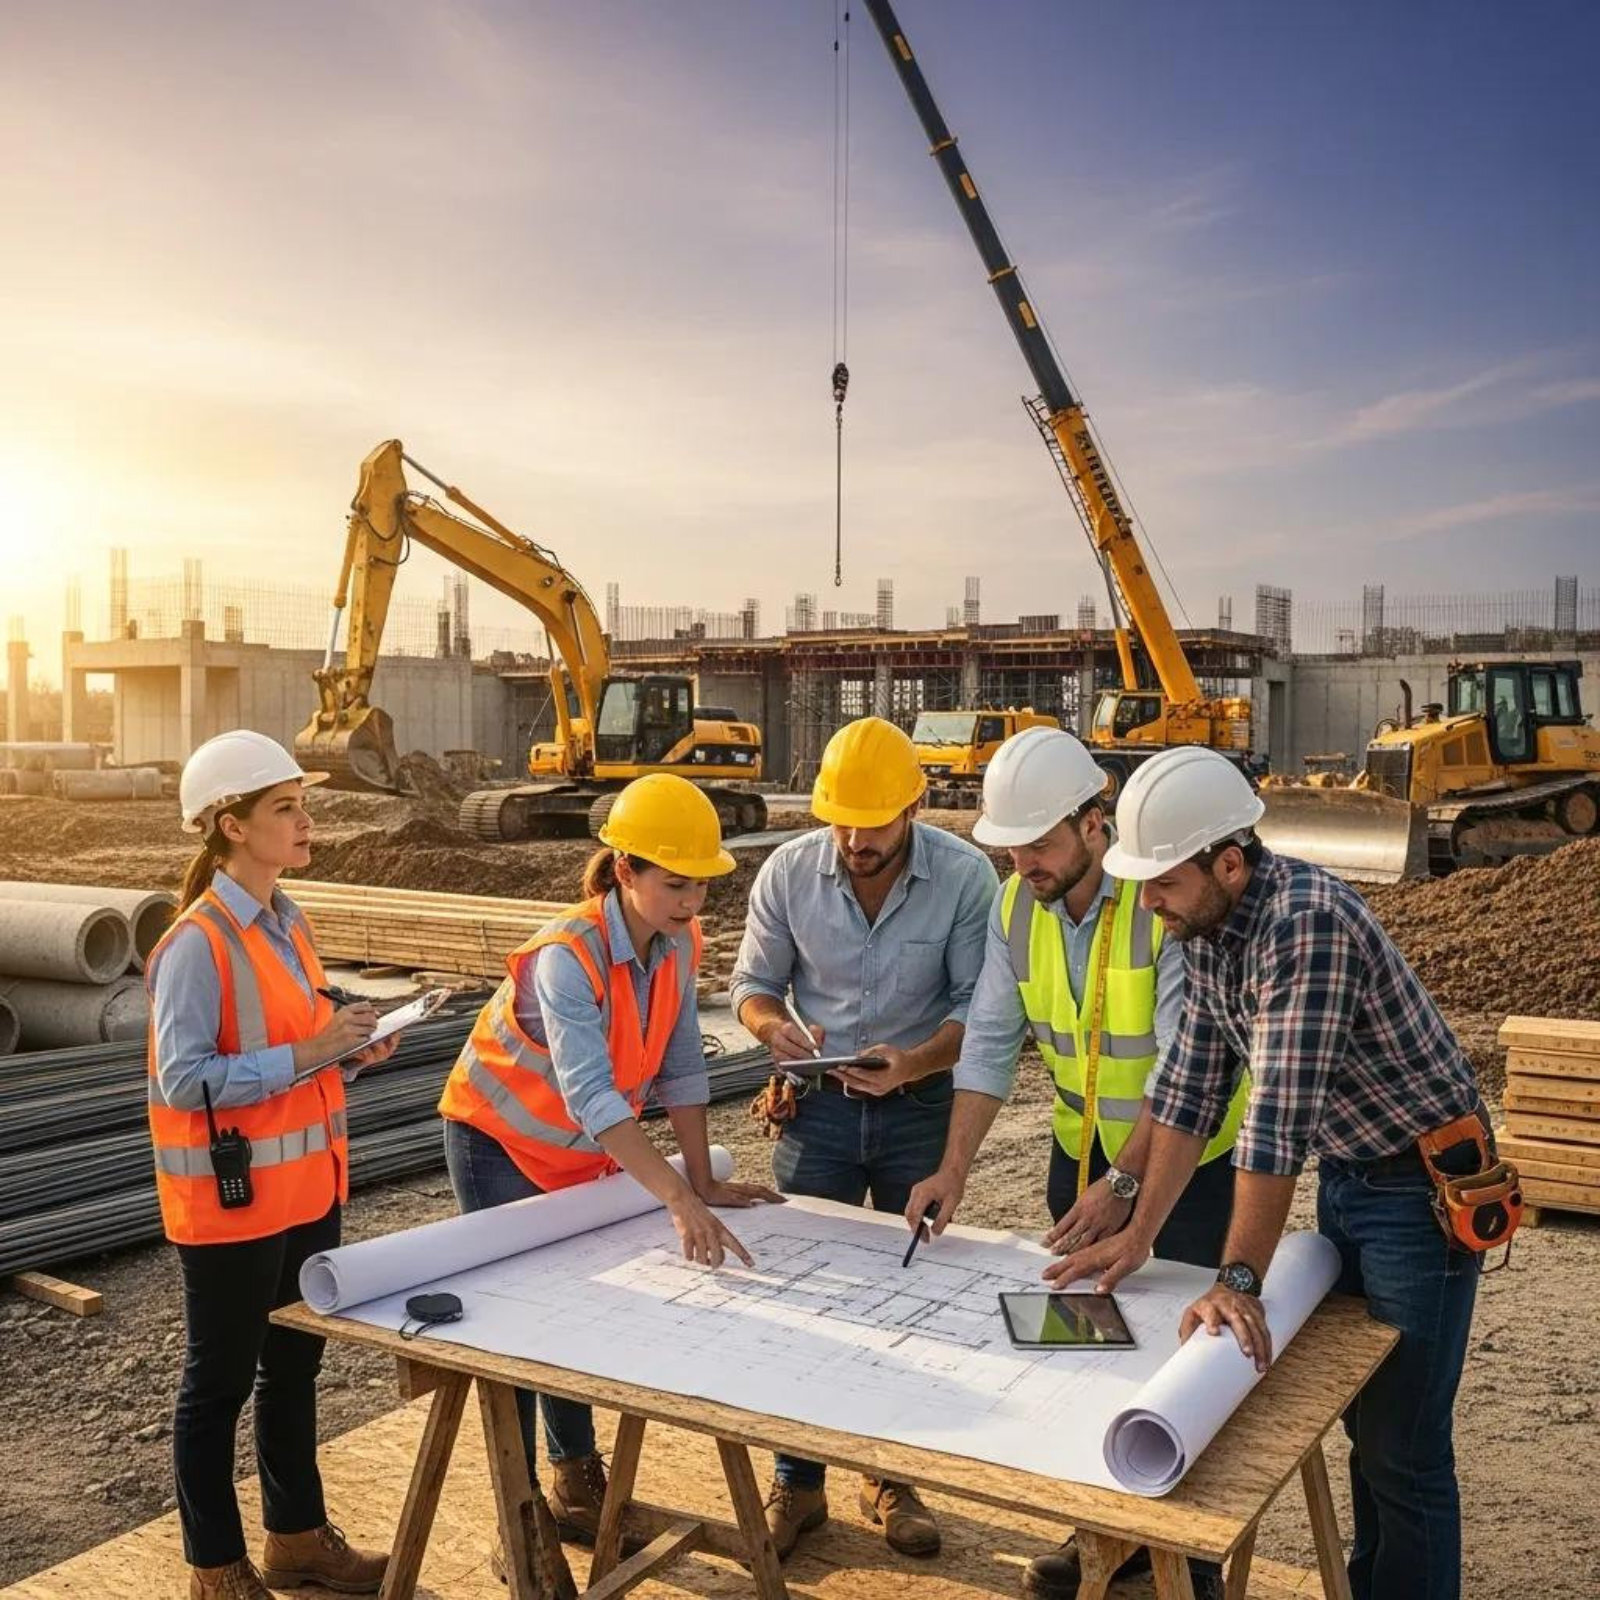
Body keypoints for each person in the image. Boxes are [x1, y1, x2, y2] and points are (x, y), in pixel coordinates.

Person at [1053, 747, 1488, 1600]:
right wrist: (1138, 1232)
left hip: (1421, 1191)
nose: (1150, 904)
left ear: (1227, 861)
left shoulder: (1305, 927)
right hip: (1356, 1178)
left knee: (1404, 1446)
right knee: (1366, 1421)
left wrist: (1239, 1279)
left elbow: (1275, 1125)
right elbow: (1187, 1095)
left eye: (1164, 883)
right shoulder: (1214, 927)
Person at [906, 728, 1246, 1600]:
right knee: (1080, 1348)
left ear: (1096, 825)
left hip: (1193, 1167)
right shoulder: (1016, 906)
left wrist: (1127, 1186)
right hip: (1079, 1155)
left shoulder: (1159, 903)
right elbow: (987, 1043)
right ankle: (1102, 1538)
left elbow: (1184, 1072)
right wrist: (953, 1171)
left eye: (1042, 843)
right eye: (1012, 846)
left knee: (1185, 1361)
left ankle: (1188, 1563)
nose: (1025, 862)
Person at [438, 773, 780, 1569]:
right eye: (674, 883)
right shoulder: (567, 958)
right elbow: (591, 1092)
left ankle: (576, 1481)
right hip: (499, 1146)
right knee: (514, 1330)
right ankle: (515, 1515)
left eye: (701, 883)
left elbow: (681, 1064)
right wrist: (673, 1198)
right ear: (623, 870)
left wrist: (703, 1177)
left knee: (579, 1316)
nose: (693, 902)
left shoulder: (679, 941)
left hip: (584, 1149)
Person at [730, 715, 999, 1561]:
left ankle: (890, 1477)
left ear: (915, 804)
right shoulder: (787, 872)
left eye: (873, 824)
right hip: (818, 1109)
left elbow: (981, 1013)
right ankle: (798, 1482)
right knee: (809, 1297)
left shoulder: (964, 878)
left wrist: (913, 1062)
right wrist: (774, 1030)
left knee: (906, 1295)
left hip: (921, 1107)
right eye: (841, 822)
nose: (854, 841)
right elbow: (752, 985)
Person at [148, 731, 398, 1600]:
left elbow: (294, 1041)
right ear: (229, 826)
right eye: (286, 808)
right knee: (216, 1387)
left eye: (303, 805)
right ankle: (214, 1569)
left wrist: (350, 1049)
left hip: (305, 1191)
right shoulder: (195, 944)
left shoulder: (287, 922)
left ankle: (297, 1542)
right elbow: (183, 1080)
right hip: (231, 1201)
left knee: (292, 1369)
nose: (306, 821)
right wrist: (310, 1053)